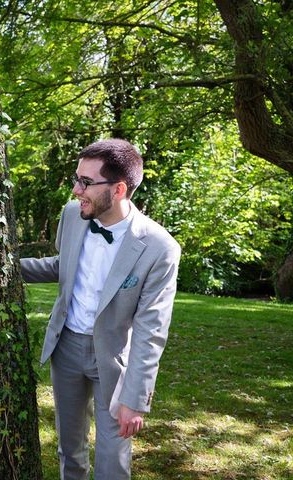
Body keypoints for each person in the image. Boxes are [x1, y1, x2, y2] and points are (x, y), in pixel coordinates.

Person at [20, 138, 181, 479]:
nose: (77, 190)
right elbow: (62, 265)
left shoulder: (159, 247)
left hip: (113, 357)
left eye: (86, 182)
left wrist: (136, 398)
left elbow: (152, 330)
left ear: (119, 189)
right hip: (66, 348)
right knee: (70, 449)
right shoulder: (73, 215)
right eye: (76, 179)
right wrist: (4, 266)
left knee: (112, 457)